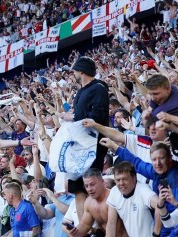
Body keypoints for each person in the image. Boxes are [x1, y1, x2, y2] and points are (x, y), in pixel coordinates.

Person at [59, 56, 110, 221]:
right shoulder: (80, 91)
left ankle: (101, 224)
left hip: (93, 145)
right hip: (79, 146)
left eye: (74, 70)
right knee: (78, 189)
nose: (72, 74)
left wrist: (72, 117)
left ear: (81, 71)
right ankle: (84, 228)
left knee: (92, 185)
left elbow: (99, 115)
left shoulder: (99, 87)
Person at [100, 138, 178, 236]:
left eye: (161, 158)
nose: (158, 163)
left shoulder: (177, 177)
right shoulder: (155, 171)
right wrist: (114, 146)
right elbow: (136, 163)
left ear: (169, 158)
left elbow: (177, 219)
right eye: (154, 159)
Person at [62, 168, 127, 237]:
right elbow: (85, 225)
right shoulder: (89, 202)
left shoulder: (113, 198)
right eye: (86, 186)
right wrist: (74, 232)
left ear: (102, 182)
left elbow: (112, 225)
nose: (89, 189)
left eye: (92, 184)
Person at [105, 162, 159, 237]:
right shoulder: (114, 191)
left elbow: (159, 205)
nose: (121, 183)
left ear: (134, 178)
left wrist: (156, 234)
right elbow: (111, 223)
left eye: (125, 179)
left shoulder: (143, 190)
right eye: (118, 180)